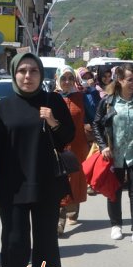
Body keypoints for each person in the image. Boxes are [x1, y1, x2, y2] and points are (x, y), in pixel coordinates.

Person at [0, 53, 75, 267]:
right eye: (23, 71)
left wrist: (52, 121)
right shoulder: (2, 109)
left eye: (34, 71)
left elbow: (66, 138)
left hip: (46, 183)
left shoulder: (53, 102)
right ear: (15, 74)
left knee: (46, 241)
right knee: (14, 244)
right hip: (11, 188)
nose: (28, 76)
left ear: (41, 75)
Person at [93, 64, 133, 247]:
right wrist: (102, 146)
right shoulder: (109, 102)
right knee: (114, 191)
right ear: (119, 80)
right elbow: (96, 124)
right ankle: (116, 225)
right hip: (114, 154)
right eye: (129, 80)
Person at [54, 67, 89, 235]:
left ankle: (73, 210)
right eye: (63, 78)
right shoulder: (52, 98)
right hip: (58, 147)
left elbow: (92, 118)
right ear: (58, 79)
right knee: (60, 180)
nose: (67, 81)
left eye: (70, 78)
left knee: (75, 179)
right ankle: (59, 220)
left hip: (78, 146)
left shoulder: (81, 98)